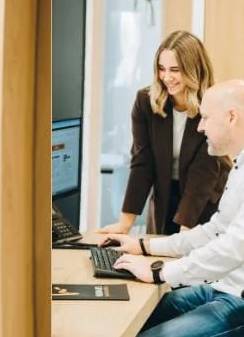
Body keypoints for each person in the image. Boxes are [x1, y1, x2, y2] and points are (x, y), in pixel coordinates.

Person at [104, 80, 244, 337]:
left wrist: (162, 272)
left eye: (206, 118)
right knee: (132, 320)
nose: (200, 127)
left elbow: (235, 247)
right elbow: (216, 231)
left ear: (231, 117)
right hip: (233, 290)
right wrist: (145, 246)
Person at [97, 30, 230, 235]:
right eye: (161, 68)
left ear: (193, 69)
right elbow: (142, 162)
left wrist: (184, 233)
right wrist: (125, 223)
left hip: (205, 197)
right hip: (165, 192)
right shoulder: (146, 102)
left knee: (190, 254)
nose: (166, 77)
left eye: (175, 70)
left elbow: (203, 173)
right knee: (159, 251)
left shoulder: (213, 103)